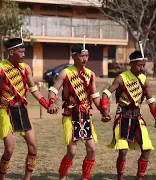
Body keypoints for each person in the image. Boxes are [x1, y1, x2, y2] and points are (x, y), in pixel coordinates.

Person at [0, 38, 49, 180]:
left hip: (22, 111)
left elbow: (34, 89)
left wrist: (47, 105)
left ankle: (27, 178)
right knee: (9, 150)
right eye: (20, 52)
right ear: (11, 52)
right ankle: (2, 177)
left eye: (24, 52)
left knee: (33, 147)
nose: (23, 55)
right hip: (7, 112)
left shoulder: (25, 68)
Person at [47, 44, 101, 180]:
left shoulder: (90, 74)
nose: (85, 59)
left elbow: (95, 96)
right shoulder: (66, 73)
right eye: (82, 55)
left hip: (85, 115)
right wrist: (52, 102)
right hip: (70, 115)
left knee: (92, 149)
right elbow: (53, 90)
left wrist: (104, 111)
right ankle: (62, 176)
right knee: (71, 151)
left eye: (86, 56)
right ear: (74, 56)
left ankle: (85, 177)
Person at [100, 50, 155, 180]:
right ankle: (120, 177)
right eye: (139, 65)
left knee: (146, 149)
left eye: (143, 65)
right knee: (123, 150)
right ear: (131, 63)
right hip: (122, 116)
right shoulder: (121, 77)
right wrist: (105, 110)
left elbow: (151, 100)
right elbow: (106, 93)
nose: (142, 68)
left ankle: (139, 178)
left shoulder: (144, 80)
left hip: (137, 117)